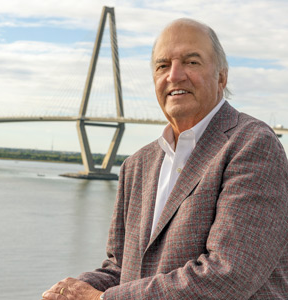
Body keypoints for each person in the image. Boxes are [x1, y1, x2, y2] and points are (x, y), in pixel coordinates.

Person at [41, 18, 288, 300]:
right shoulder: (137, 165)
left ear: (222, 76)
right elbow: (121, 270)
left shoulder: (252, 145)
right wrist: (70, 290)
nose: (174, 75)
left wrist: (100, 299)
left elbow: (229, 275)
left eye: (191, 62)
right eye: (162, 66)